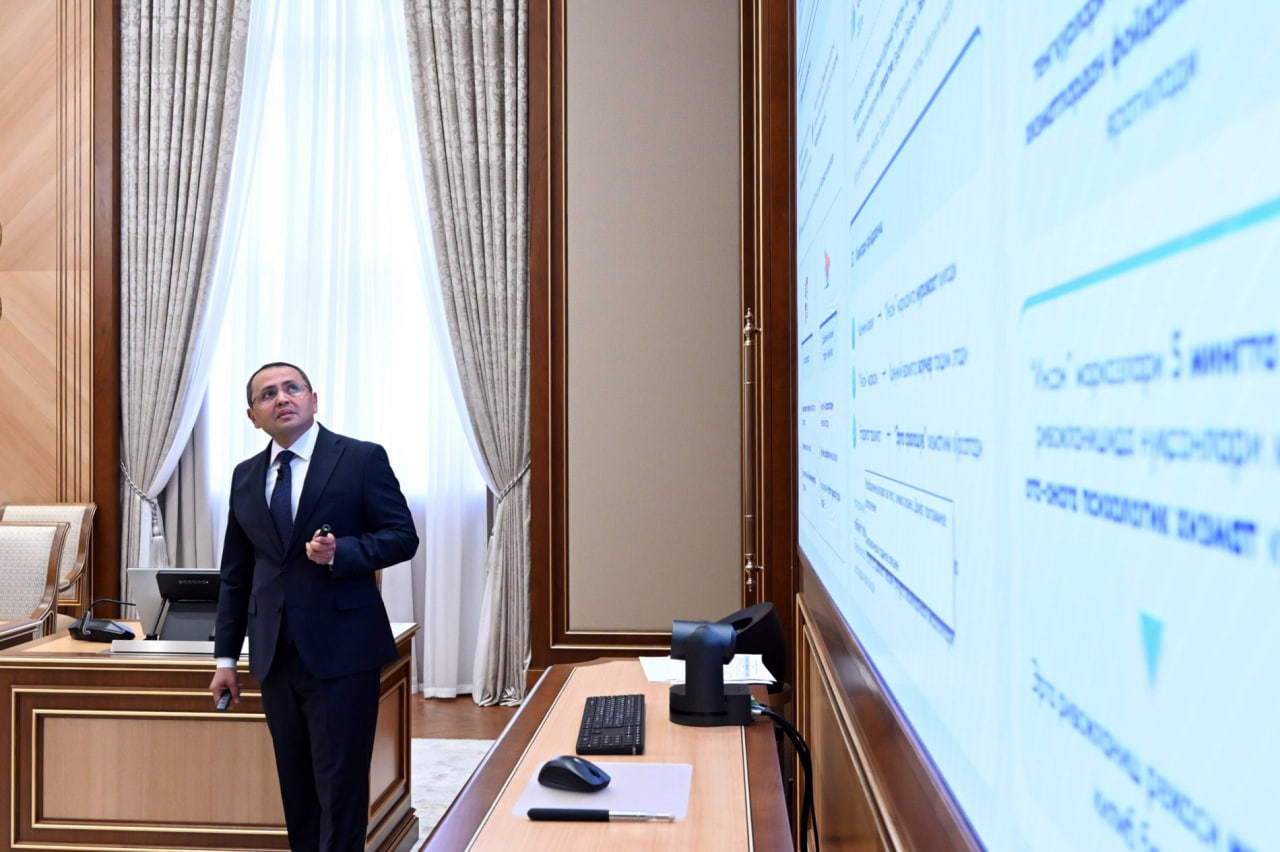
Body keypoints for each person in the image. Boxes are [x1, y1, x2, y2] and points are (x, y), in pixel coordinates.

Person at [210, 362, 419, 852]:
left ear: (313, 400)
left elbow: (401, 537)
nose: (281, 398)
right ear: (252, 416)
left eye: (292, 388)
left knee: (340, 787)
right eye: (267, 394)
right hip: (274, 655)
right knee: (297, 787)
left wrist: (341, 552)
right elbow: (236, 575)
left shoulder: (360, 458)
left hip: (343, 650)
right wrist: (225, 659)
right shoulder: (245, 476)